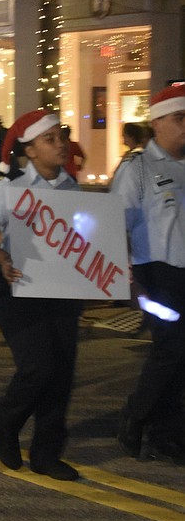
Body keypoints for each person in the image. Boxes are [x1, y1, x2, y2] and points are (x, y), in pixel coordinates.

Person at [0, 109, 82, 481]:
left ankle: (46, 452)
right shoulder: (8, 190)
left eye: (62, 137)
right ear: (30, 150)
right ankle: (5, 420)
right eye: (50, 139)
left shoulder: (72, 188)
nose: (61, 144)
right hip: (17, 289)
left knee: (62, 372)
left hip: (62, 290)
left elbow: (85, 238)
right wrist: (0, 257)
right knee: (38, 366)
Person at [111, 85, 185, 465]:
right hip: (157, 273)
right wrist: (127, 279)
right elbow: (115, 224)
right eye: (179, 118)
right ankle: (135, 414)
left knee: (178, 356)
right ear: (157, 123)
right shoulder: (137, 168)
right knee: (170, 349)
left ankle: (165, 434)